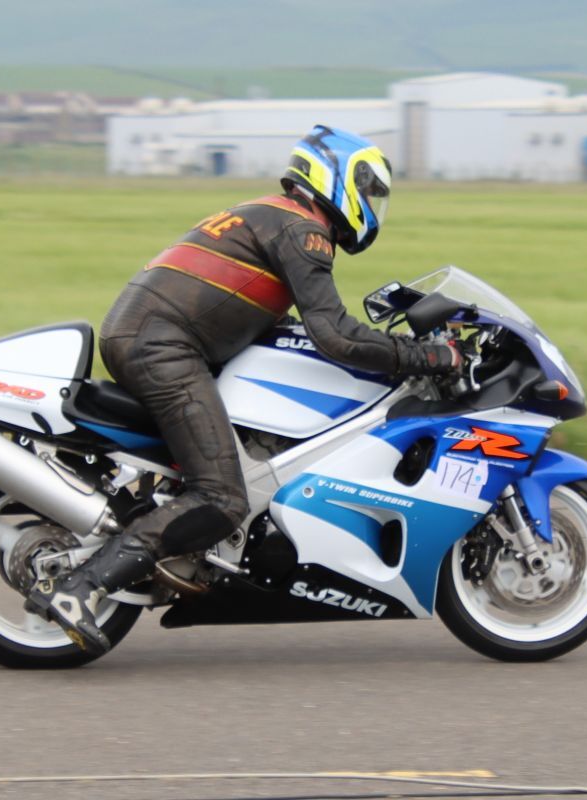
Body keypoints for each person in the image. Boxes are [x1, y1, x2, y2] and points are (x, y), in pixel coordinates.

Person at [27, 124, 464, 654]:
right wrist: (430, 357)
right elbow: (336, 335)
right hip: (163, 347)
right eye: (368, 189)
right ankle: (82, 587)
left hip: (146, 336)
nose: (371, 204)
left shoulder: (267, 213)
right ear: (337, 177)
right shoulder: (304, 231)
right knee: (223, 496)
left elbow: (260, 310)